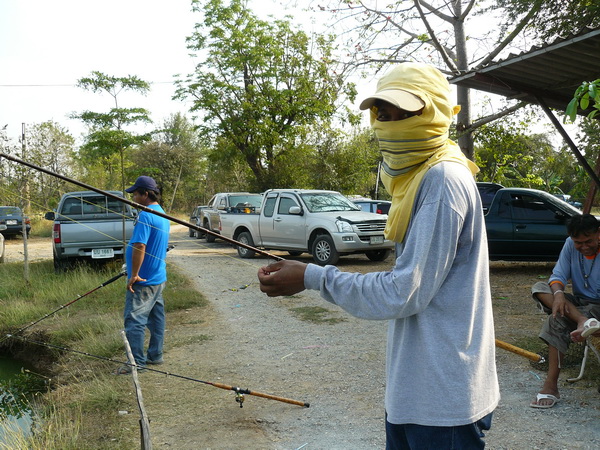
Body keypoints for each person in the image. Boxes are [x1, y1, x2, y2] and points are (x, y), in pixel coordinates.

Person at [258, 62, 499, 449]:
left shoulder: (442, 179)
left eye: (405, 113)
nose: (391, 124)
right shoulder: (417, 176)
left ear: (436, 112)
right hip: (416, 393)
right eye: (384, 115)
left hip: (443, 401)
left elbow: (404, 291)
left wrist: (311, 276)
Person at [530, 213, 600, 408]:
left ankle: (550, 386)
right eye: (579, 242)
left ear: (598, 234)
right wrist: (559, 293)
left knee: (556, 319)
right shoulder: (570, 244)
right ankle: (582, 321)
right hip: (579, 305)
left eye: (589, 241)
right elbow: (558, 274)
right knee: (540, 288)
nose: (584, 247)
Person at [115, 175, 170, 374]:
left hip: (144, 280)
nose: (133, 198)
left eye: (136, 194)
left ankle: (137, 362)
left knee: (134, 319)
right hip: (157, 277)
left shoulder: (146, 214)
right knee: (156, 318)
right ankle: (155, 355)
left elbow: (140, 245)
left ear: (145, 194)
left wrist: (134, 274)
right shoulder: (161, 213)